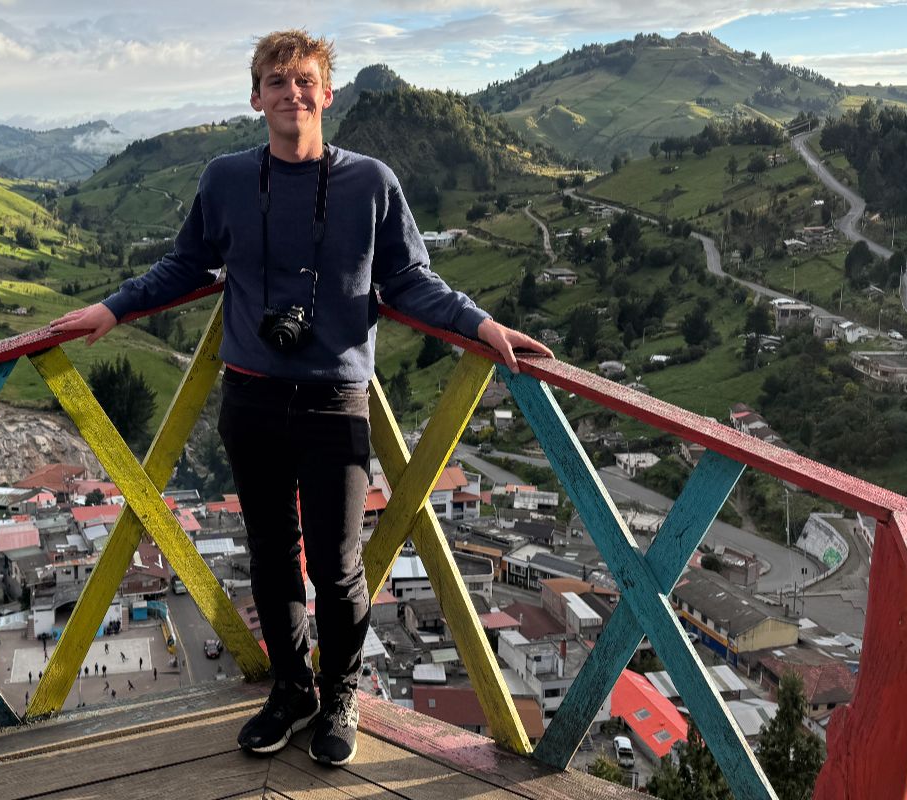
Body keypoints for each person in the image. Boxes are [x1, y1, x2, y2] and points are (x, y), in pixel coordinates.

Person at [50, 29, 551, 768]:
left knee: (337, 565)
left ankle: (340, 690)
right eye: (277, 81)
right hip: (250, 397)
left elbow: (411, 280)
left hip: (335, 400)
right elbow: (187, 263)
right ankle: (291, 690)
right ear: (256, 99)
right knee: (272, 558)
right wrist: (113, 310)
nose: (292, 92)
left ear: (329, 92)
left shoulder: (372, 183)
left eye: (305, 80)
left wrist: (480, 324)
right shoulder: (225, 179)